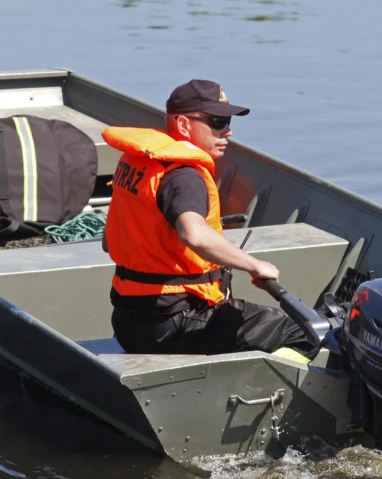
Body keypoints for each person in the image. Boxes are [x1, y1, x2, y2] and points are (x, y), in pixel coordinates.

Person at [102, 79, 314, 356]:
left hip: (131, 322)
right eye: (217, 122)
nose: (227, 132)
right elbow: (194, 234)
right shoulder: (185, 176)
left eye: (227, 122)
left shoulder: (137, 163)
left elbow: (109, 241)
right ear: (183, 125)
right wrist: (254, 265)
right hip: (178, 323)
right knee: (304, 332)